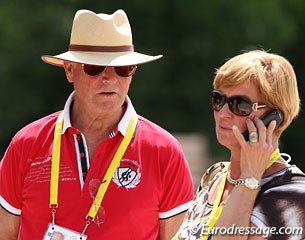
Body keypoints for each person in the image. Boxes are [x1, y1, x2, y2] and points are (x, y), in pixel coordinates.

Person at [0, 9, 194, 240]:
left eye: (123, 69)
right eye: (94, 68)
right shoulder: (26, 143)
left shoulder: (165, 150)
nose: (110, 78)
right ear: (69, 70)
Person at [174, 50, 305, 240]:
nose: (223, 113)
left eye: (240, 104)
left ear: (274, 118)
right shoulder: (215, 176)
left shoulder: (293, 193)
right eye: (218, 99)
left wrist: (250, 178)